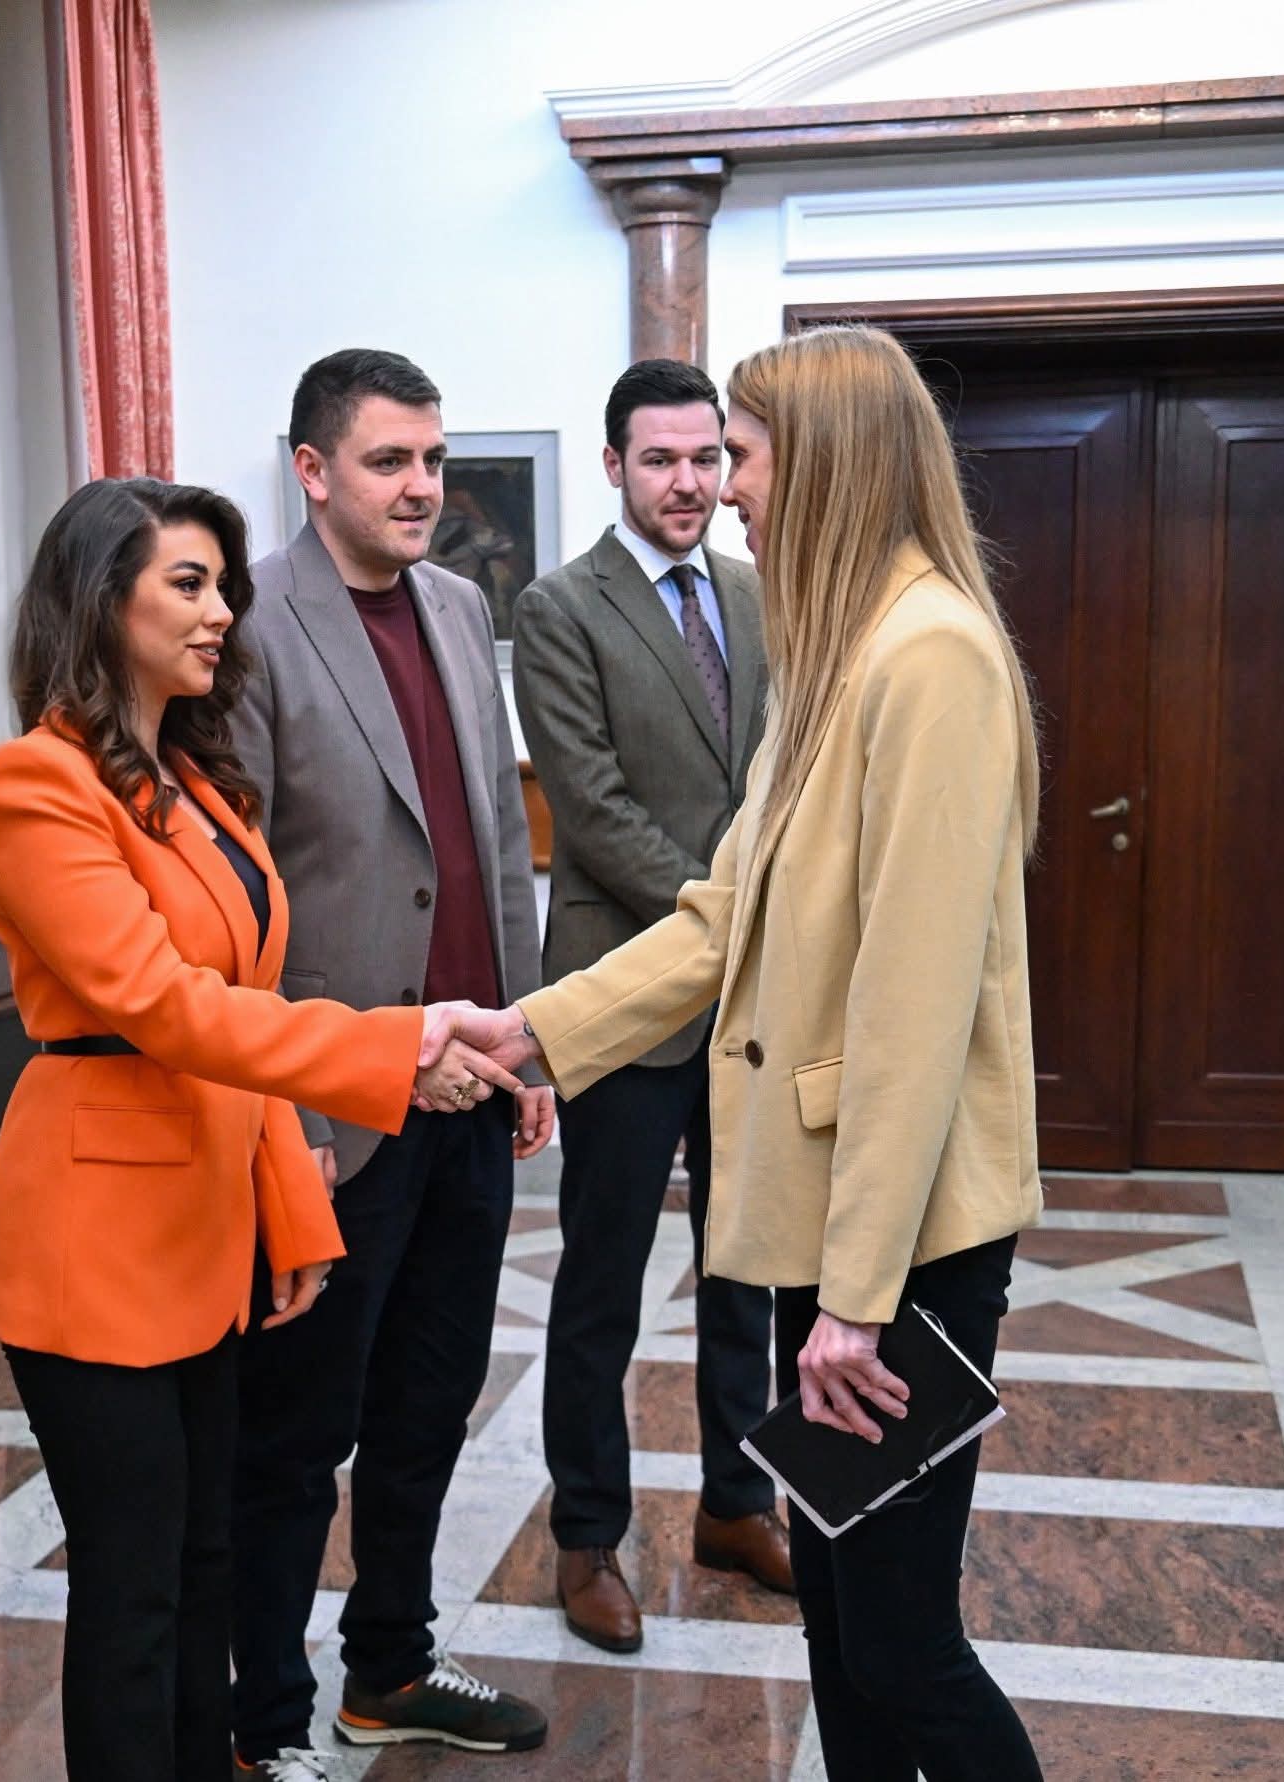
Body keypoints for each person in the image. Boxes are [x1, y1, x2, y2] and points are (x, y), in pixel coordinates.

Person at [443, 324, 1047, 1781]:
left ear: (825, 462)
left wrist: (857, 1299)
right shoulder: (841, 654)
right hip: (843, 1234)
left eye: (748, 456)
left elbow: (911, 1008)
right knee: (839, 1611)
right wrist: (534, 1030)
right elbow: (725, 916)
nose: (728, 488)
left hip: (905, 1248)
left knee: (902, 1639)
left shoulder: (931, 657)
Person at [0, 476, 519, 1782]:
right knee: (134, 1590)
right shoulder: (35, 781)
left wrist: (296, 1213)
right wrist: (394, 1047)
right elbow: (165, 1006)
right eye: (188, 584)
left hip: (209, 1224)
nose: (223, 611)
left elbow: (248, 1005)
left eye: (224, 585)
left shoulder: (193, 780)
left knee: (207, 1561)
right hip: (97, 1239)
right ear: (100, 601)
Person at [228, 348, 552, 1776]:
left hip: (469, 1084)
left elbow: (497, 833)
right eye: (387, 461)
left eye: (432, 460)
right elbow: (235, 889)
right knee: (297, 1436)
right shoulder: (247, 621)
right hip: (334, 1101)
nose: (422, 487)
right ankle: (262, 1723)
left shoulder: (461, 605)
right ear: (312, 471)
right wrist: (284, 1105)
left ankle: (392, 1667)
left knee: (429, 1403)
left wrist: (531, 1041)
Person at [514, 358, 789, 1655]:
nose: (689, 482)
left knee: (747, 1270)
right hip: (626, 997)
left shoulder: (760, 592)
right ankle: (587, 1536)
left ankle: (737, 1503)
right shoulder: (561, 606)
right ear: (615, 465)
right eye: (662, 459)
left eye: (707, 458)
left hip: (754, 1005)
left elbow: (783, 778)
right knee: (602, 1284)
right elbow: (594, 809)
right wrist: (730, 926)